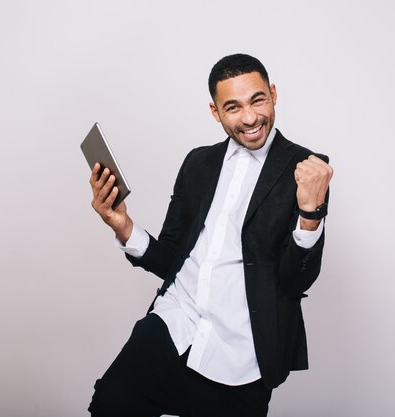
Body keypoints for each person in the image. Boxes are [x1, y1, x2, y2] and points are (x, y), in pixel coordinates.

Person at [87, 53, 333, 417]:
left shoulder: (308, 168)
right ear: (215, 112)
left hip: (241, 354)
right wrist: (122, 225)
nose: (249, 118)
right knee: (109, 406)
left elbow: (294, 281)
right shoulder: (197, 163)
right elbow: (172, 258)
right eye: (232, 107)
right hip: (174, 322)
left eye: (258, 100)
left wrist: (311, 213)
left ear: (274, 94)